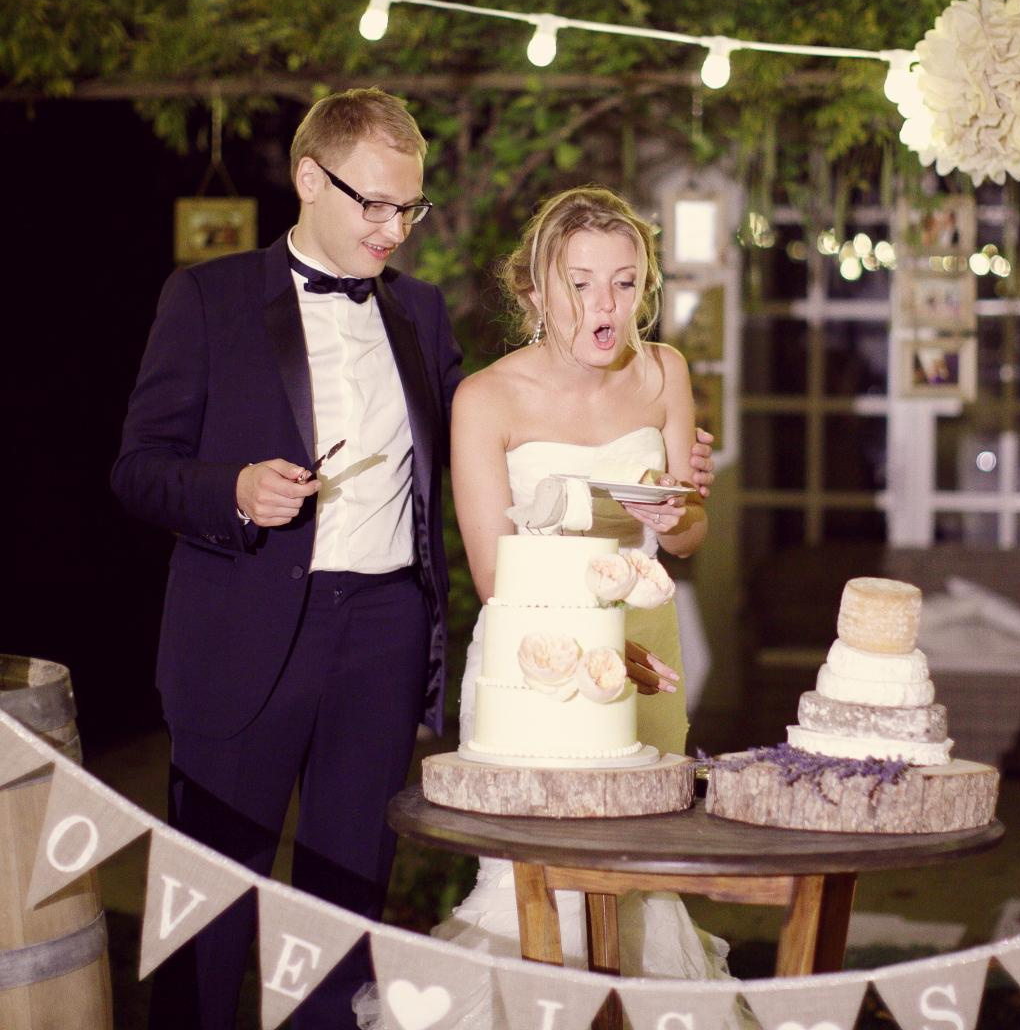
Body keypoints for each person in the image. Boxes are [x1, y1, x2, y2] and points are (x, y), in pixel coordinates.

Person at [113, 90, 714, 1030]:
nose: (394, 229)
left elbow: (505, 439)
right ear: (311, 180)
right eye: (375, 205)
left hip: (384, 635)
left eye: (410, 208)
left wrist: (656, 456)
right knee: (214, 896)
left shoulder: (423, 316)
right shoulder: (207, 298)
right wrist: (231, 491)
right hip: (245, 630)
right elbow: (138, 470)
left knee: (347, 902)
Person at [354, 186, 732, 1030]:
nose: (607, 306)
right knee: (540, 889)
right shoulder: (485, 399)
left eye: (627, 283)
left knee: (639, 879)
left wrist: (681, 516)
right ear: (534, 292)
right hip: (539, 663)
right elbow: (493, 575)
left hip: (648, 649)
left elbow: (688, 536)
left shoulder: (666, 371)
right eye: (582, 284)